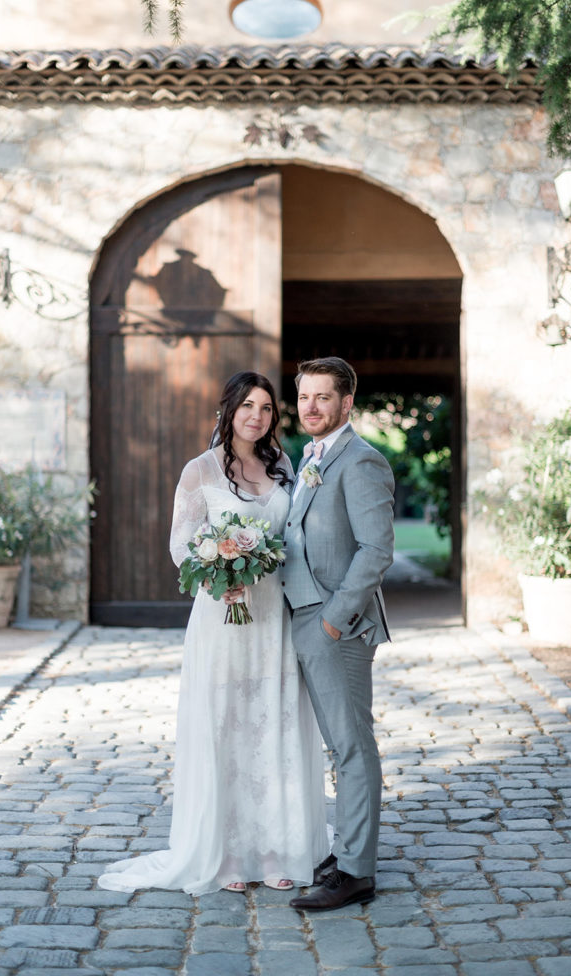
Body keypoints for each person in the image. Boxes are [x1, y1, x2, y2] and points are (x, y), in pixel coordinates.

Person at [98, 371, 328, 896]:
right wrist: (217, 577)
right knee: (227, 725)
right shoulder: (198, 471)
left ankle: (275, 847)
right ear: (228, 410)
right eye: (248, 405)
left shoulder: (283, 465)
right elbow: (182, 547)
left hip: (274, 613)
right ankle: (225, 852)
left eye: (267, 408)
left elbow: (292, 534)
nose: (257, 416)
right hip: (224, 616)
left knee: (274, 722)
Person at [282, 356, 395, 912]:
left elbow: (376, 550)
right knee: (336, 744)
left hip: (337, 626)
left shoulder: (362, 461)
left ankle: (355, 872)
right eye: (304, 397)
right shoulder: (312, 457)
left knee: (352, 746)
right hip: (303, 618)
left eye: (323, 397)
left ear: (346, 403)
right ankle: (348, 848)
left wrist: (333, 619)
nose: (311, 407)